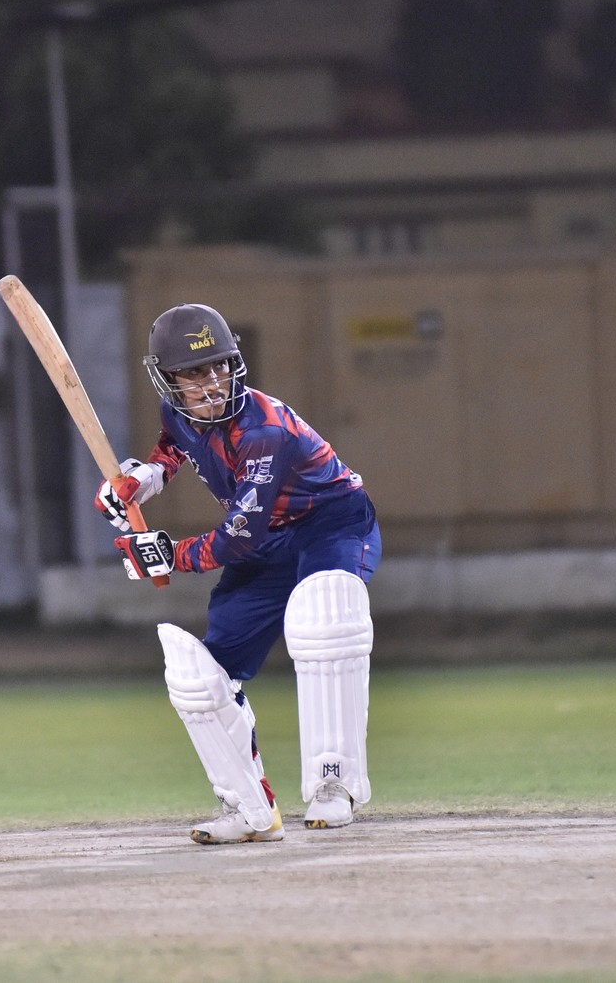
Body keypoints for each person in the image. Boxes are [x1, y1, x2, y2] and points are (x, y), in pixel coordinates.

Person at [98, 303, 380, 845]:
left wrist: (169, 555)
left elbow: (238, 539)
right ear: (169, 380)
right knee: (203, 678)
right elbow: (175, 447)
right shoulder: (177, 412)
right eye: (194, 372)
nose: (212, 382)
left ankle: (335, 785)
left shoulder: (264, 431)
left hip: (331, 525)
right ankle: (247, 807)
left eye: (219, 366)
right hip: (267, 540)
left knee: (326, 622)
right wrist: (143, 479)